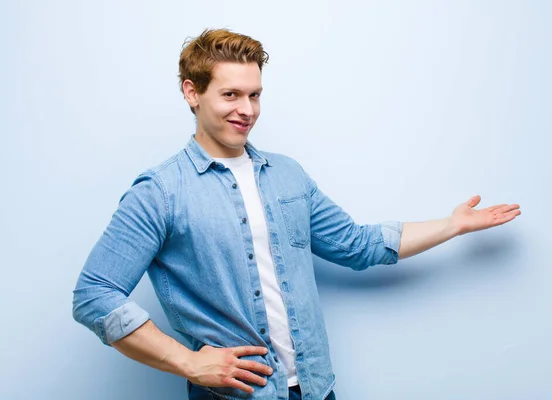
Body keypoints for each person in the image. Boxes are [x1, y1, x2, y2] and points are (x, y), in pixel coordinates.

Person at [72, 28, 521, 400]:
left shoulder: (287, 175)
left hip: (315, 388)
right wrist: (188, 362)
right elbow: (94, 293)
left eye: (255, 95)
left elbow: (358, 245)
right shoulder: (160, 192)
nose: (246, 110)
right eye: (230, 94)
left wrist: (452, 225)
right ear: (192, 93)